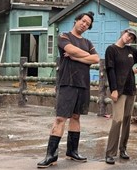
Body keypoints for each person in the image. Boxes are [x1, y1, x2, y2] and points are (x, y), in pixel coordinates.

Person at [37, 11, 100, 168]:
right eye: (83, 21)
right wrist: (84, 56)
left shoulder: (88, 42)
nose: (84, 24)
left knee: (76, 117)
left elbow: (96, 58)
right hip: (67, 82)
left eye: (87, 24)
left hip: (82, 83)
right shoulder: (64, 36)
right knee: (60, 118)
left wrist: (77, 58)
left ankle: (72, 151)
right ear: (76, 20)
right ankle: (51, 155)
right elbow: (71, 50)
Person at [104, 28, 137, 165]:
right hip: (119, 90)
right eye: (128, 35)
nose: (129, 39)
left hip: (130, 89)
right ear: (123, 33)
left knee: (127, 119)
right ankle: (110, 153)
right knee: (117, 120)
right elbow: (110, 70)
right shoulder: (111, 49)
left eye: (132, 38)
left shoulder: (131, 51)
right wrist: (114, 89)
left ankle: (123, 149)